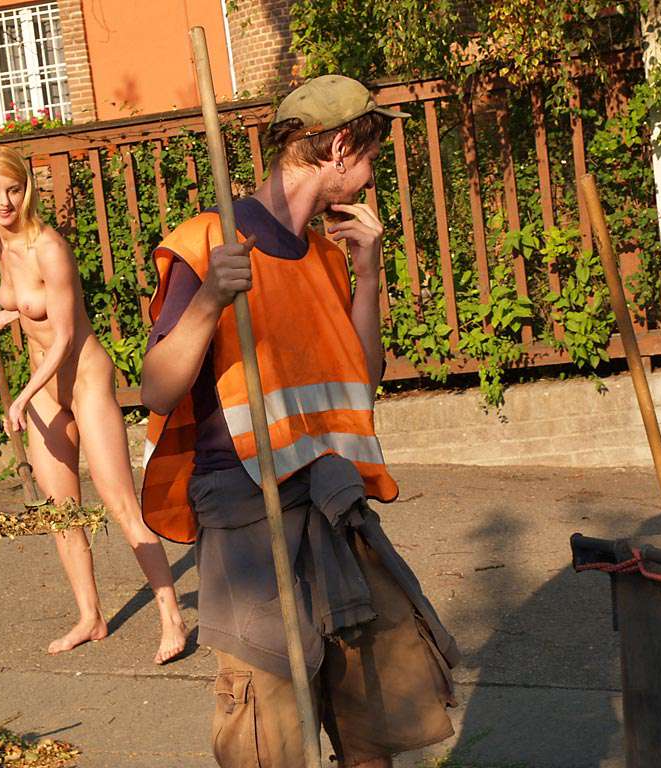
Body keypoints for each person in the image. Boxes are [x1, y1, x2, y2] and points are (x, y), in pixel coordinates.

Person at [140, 75, 460, 766]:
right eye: (370, 157)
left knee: (375, 724)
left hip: (334, 507)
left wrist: (369, 276)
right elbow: (156, 390)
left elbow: (361, 378)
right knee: (273, 744)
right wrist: (209, 301)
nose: (371, 175)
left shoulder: (323, 257)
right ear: (340, 147)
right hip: (250, 520)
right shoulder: (210, 242)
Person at [0, 146, 187, 663]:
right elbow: (33, 308)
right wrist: (6, 317)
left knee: (120, 505)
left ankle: (171, 616)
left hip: (84, 379)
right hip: (45, 387)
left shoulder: (48, 247)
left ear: (27, 190)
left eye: (13, 190)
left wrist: (21, 396)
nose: (4, 202)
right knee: (61, 512)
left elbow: (64, 335)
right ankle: (90, 617)